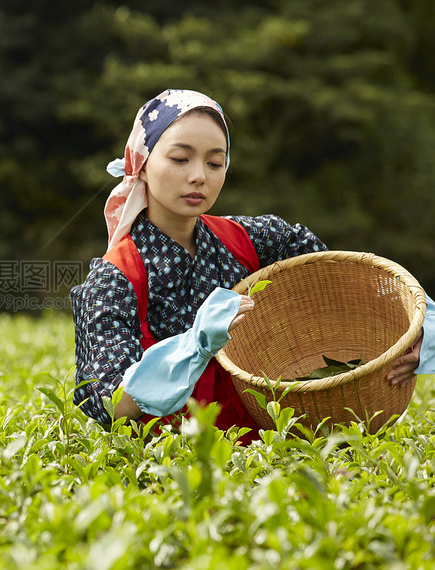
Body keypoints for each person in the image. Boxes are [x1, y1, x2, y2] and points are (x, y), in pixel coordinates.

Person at [70, 89, 424, 442]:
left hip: (264, 451)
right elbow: (110, 403)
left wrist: (418, 330)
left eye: (215, 162)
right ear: (141, 164)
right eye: (180, 159)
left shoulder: (251, 239)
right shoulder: (114, 278)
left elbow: (351, 280)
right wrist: (194, 346)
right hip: (171, 463)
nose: (199, 176)